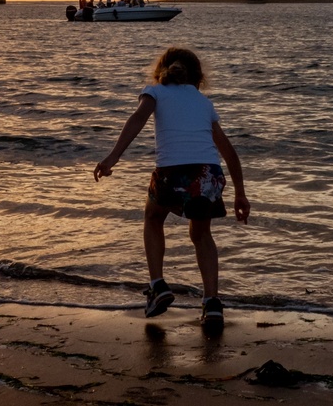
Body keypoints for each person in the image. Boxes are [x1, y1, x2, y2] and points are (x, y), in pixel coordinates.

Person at [94, 47, 250, 333]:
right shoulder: (204, 103)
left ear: (161, 71)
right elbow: (228, 151)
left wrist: (112, 157)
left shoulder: (155, 92)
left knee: (154, 218)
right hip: (208, 174)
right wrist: (240, 193)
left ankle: (157, 286)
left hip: (173, 171)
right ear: (198, 77)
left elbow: (137, 120)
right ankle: (212, 302)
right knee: (201, 235)